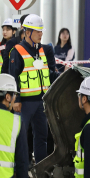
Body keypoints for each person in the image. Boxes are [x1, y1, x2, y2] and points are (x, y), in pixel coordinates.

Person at [8, 14, 59, 164]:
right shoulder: (17, 50)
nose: (41, 34)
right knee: (21, 136)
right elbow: (13, 77)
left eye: (41, 31)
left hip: (40, 102)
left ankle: (40, 167)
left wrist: (60, 75)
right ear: (28, 32)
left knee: (41, 136)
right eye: (38, 31)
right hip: (24, 103)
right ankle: (19, 167)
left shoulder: (41, 50)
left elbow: (45, 73)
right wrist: (15, 100)